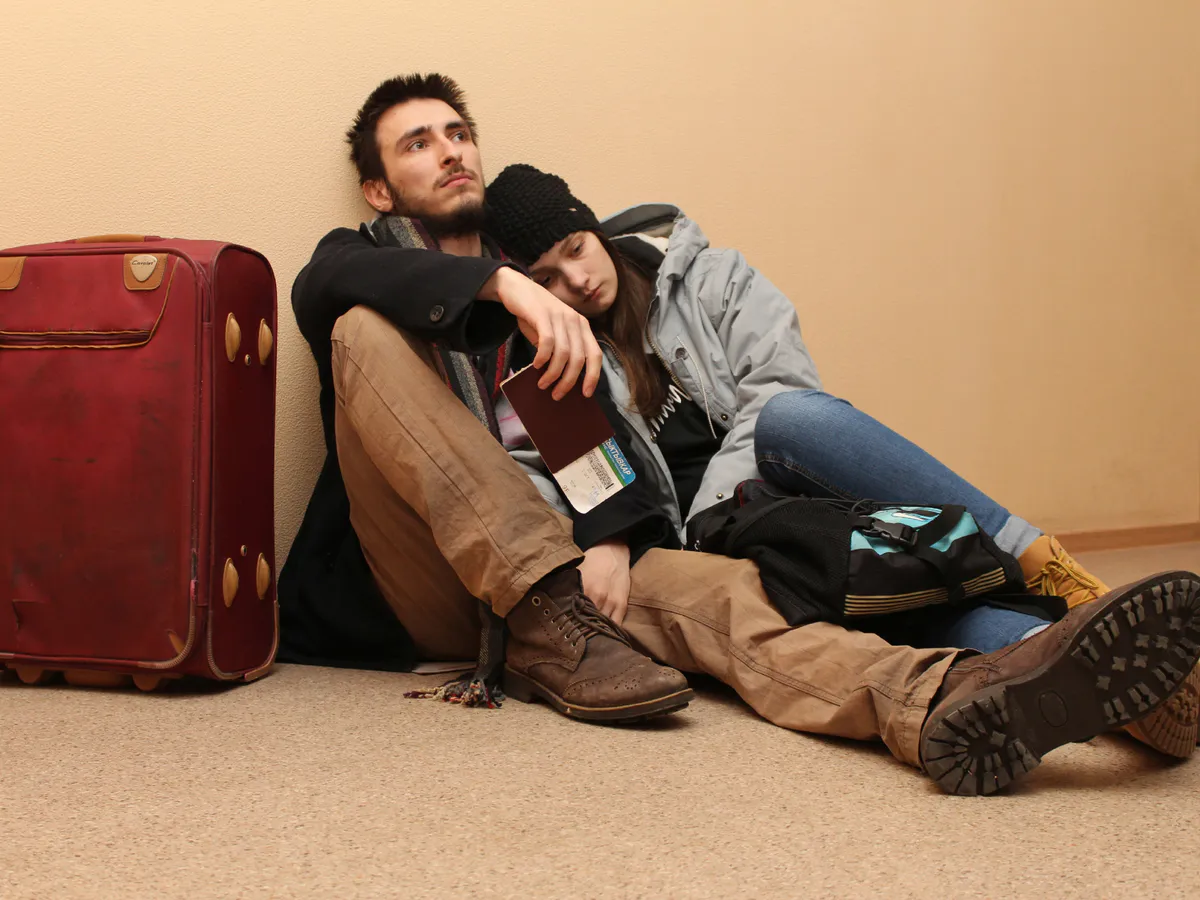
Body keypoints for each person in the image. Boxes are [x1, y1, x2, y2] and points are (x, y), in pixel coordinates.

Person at [279, 72, 1200, 795]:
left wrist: (614, 535)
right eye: (418, 142)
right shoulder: (370, 265)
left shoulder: (548, 300)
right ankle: (546, 601)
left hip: (571, 600)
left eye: (458, 132)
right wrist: (500, 288)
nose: (449, 151)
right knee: (361, 332)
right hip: (433, 576)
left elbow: (587, 441)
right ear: (378, 185)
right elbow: (320, 290)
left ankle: (946, 697)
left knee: (737, 598)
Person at [482, 162, 1200, 762]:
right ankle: (1118, 688)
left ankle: (1044, 563)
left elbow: (781, 385)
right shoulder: (546, 373)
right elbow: (548, 489)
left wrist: (710, 509)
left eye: (577, 248)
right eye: (547, 277)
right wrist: (616, 540)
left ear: (595, 228)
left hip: (785, 481)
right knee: (895, 602)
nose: (576, 280)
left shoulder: (708, 277)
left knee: (793, 417)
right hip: (733, 546)